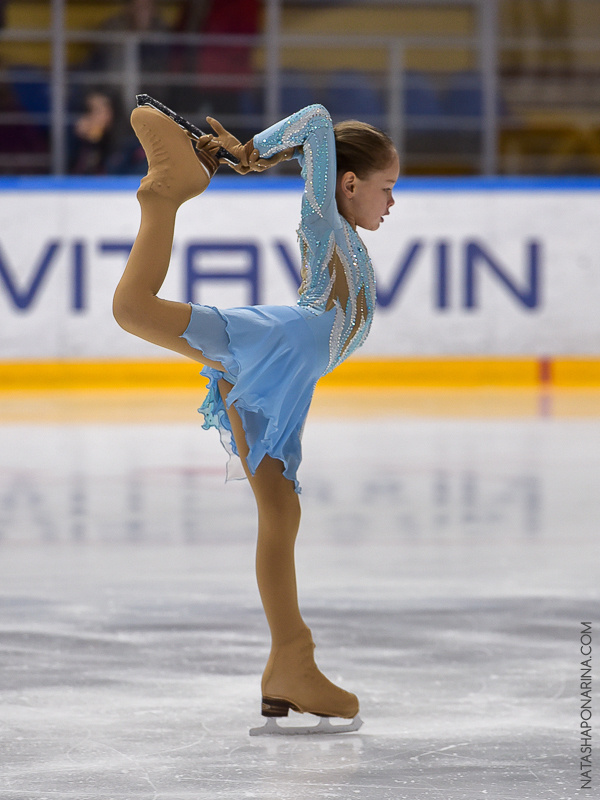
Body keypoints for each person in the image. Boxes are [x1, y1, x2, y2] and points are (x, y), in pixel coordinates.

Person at [112, 100, 399, 732]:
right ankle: (165, 194)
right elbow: (319, 121)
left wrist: (254, 155)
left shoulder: (337, 228)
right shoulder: (324, 216)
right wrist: (252, 154)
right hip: (282, 344)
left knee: (281, 509)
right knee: (134, 308)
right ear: (349, 185)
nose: (391, 202)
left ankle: (290, 666)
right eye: (387, 188)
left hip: (289, 371)